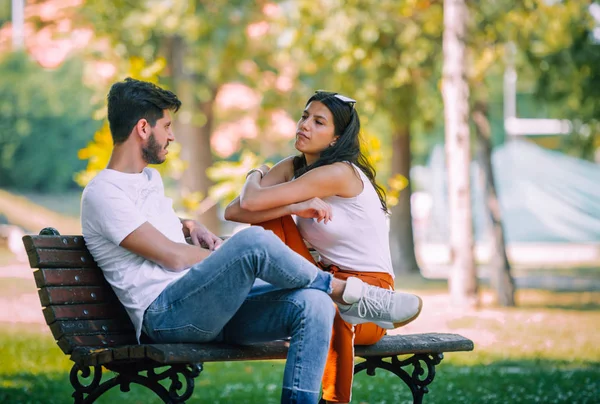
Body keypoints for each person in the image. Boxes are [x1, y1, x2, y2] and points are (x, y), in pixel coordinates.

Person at [80, 78, 422, 404]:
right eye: (167, 127)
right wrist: (232, 259)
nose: (171, 136)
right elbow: (171, 257)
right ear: (143, 128)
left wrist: (186, 224)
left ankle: (333, 302)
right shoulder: (103, 192)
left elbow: (158, 233)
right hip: (166, 316)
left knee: (314, 304)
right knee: (252, 245)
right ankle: (345, 291)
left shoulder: (148, 180)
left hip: (206, 308)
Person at [224, 90, 423, 403]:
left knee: (331, 309)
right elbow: (236, 210)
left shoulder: (337, 172)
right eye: (305, 116)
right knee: (275, 224)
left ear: (335, 139)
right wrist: (288, 200)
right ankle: (328, 293)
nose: (305, 125)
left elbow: (250, 200)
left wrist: (258, 175)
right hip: (324, 281)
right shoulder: (293, 166)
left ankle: (333, 400)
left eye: (319, 122)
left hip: (370, 300)